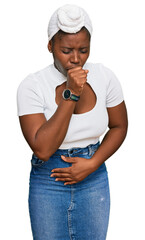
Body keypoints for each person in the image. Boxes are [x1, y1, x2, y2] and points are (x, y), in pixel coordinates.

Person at [17, 4, 128, 240]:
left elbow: (119, 126)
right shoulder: (32, 85)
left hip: (94, 177)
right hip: (49, 180)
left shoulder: (105, 76)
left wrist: (93, 163)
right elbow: (43, 148)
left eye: (83, 50)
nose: (76, 59)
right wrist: (72, 93)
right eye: (66, 50)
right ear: (50, 46)